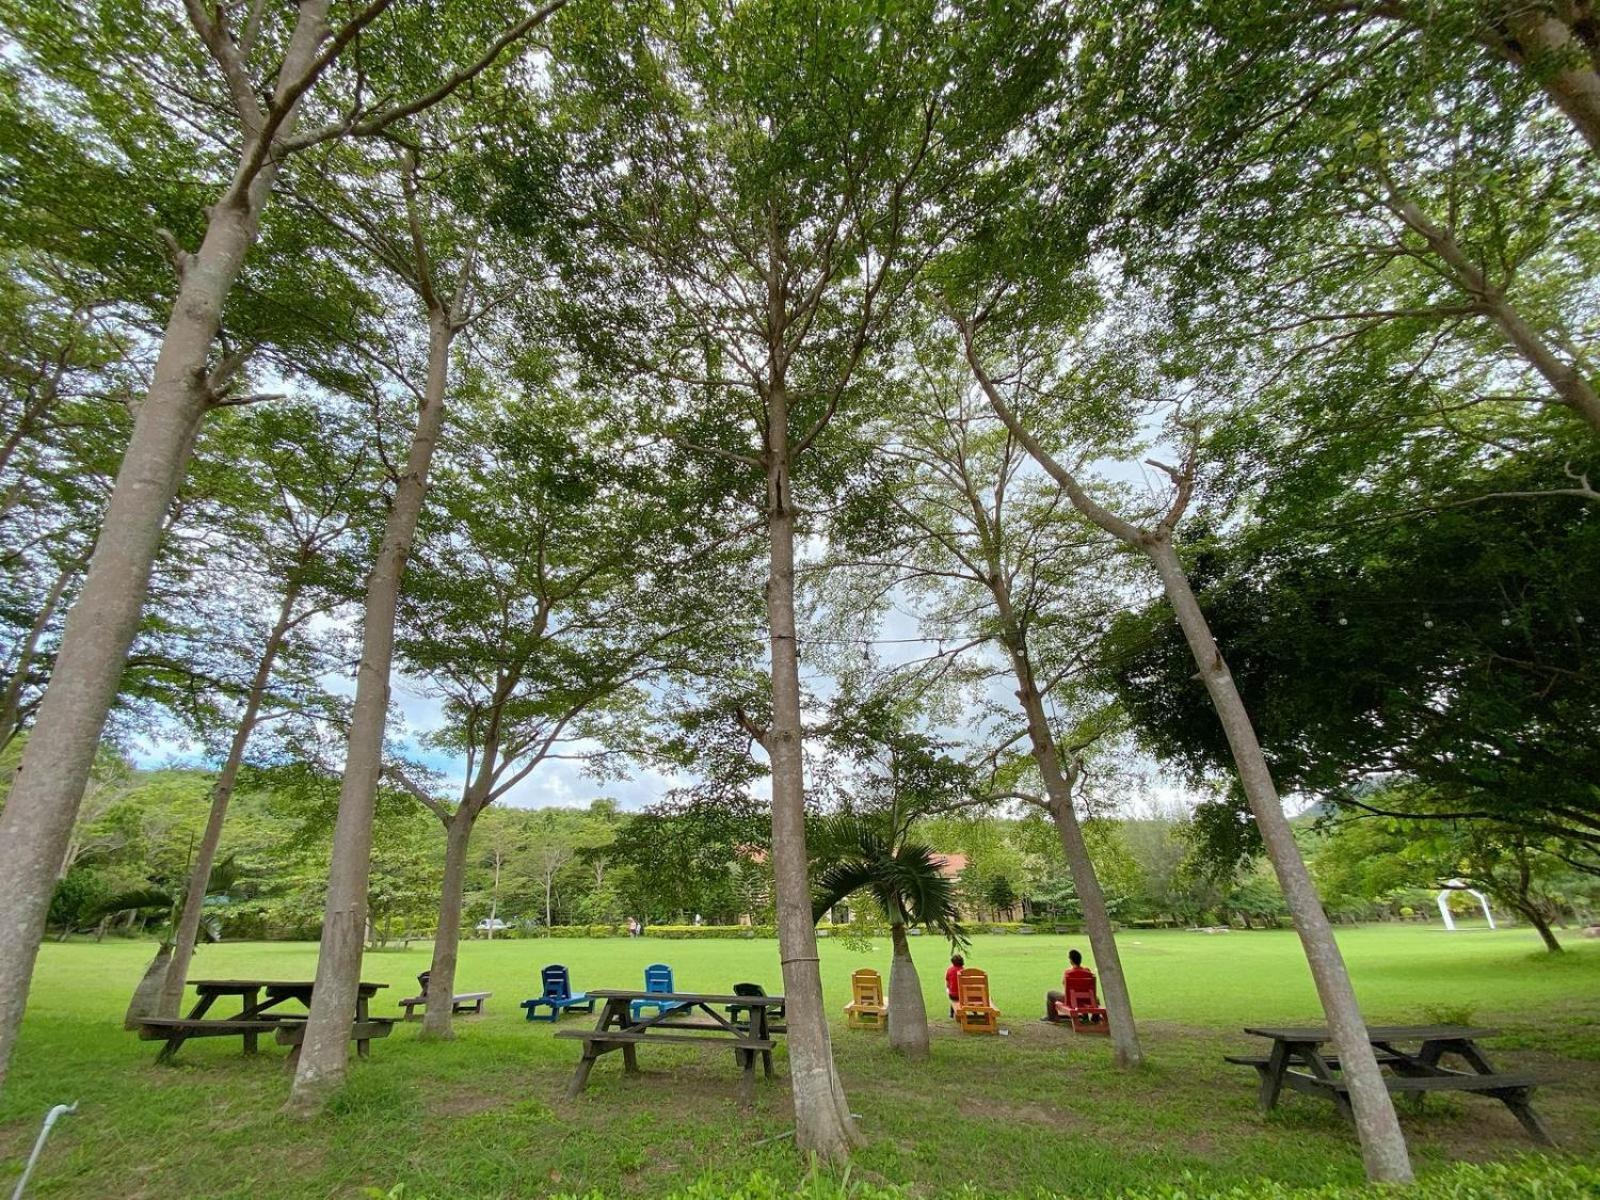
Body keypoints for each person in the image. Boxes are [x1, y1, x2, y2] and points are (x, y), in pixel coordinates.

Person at [1045, 948, 1098, 1021]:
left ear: (1071, 960)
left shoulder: (1068, 973)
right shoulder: (1088, 971)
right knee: (1096, 998)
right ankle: (1094, 1018)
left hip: (1071, 1000)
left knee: (1050, 994)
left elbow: (1064, 984)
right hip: (1087, 999)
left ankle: (1052, 1017)